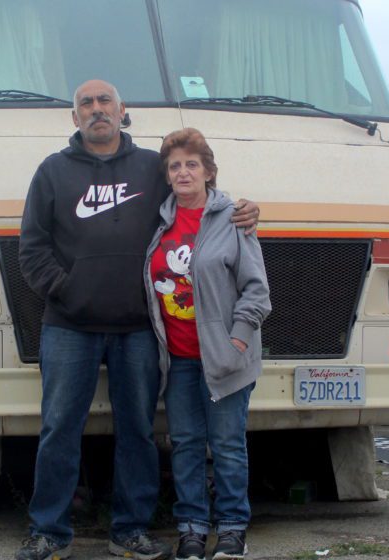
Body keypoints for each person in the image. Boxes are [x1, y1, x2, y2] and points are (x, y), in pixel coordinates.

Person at [16, 81, 259, 560]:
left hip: (139, 329)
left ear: (122, 111)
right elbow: (32, 248)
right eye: (86, 104)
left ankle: (129, 530)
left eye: (105, 101)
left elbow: (197, 198)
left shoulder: (151, 167)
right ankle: (49, 532)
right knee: (59, 428)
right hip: (68, 326)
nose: (96, 110)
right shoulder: (52, 172)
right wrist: (69, 290)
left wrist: (242, 209)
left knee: (138, 431)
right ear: (75, 118)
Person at [144, 128, 270, 560]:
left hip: (225, 358)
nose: (183, 172)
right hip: (177, 360)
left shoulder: (234, 219)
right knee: (185, 445)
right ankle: (192, 529)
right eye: (175, 166)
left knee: (229, 446)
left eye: (191, 164)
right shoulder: (158, 223)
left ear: (208, 172)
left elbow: (257, 291)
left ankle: (233, 529)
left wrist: (237, 340)